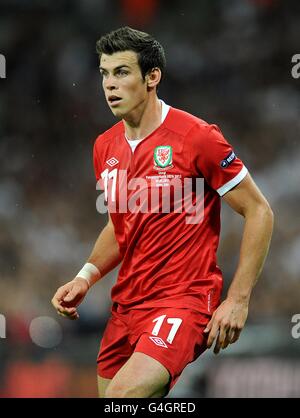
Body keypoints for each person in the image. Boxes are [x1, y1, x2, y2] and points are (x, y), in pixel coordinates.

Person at [51, 26, 274, 398]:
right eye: (105, 73)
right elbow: (122, 226)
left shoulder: (196, 137)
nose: (110, 84)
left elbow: (259, 211)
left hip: (183, 300)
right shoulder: (104, 147)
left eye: (121, 72)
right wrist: (86, 277)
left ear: (152, 76)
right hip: (126, 306)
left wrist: (237, 299)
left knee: (121, 399)